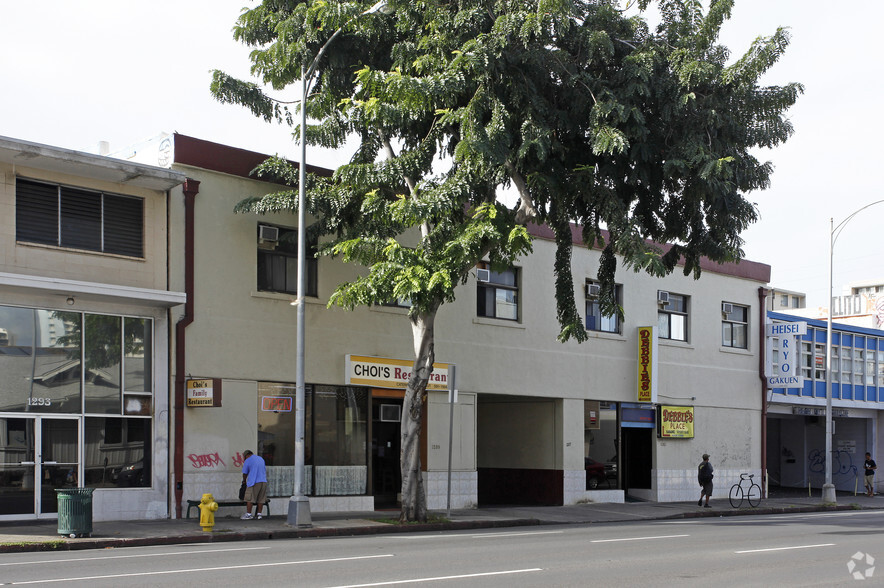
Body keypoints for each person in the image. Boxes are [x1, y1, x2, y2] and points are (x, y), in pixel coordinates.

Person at [241, 449, 268, 520]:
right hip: (263, 481)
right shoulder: (261, 458)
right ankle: (259, 514)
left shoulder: (248, 460)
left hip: (254, 482)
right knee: (261, 499)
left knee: (250, 498)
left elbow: (245, 473)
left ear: (246, 455)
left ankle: (249, 514)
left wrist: (244, 481)